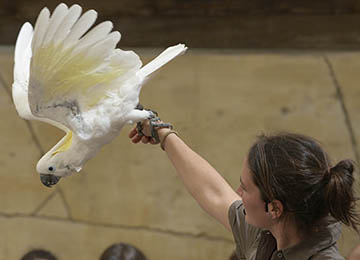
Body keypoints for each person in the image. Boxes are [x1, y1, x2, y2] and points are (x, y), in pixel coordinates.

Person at [129, 120, 360, 260]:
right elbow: (213, 192)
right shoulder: (265, 234)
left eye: (245, 187)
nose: (237, 192)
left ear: (275, 208)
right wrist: (161, 132)